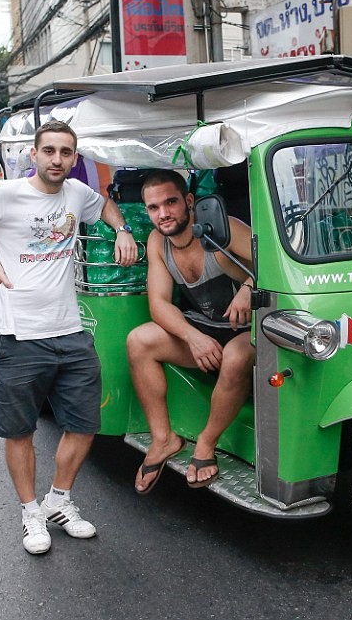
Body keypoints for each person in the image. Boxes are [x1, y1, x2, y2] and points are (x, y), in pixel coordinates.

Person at [0, 120, 138, 555]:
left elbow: (104, 205)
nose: (57, 160)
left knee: (84, 423)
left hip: (70, 331)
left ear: (74, 158)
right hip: (17, 333)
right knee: (20, 429)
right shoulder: (7, 194)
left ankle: (58, 502)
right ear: (34, 153)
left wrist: (122, 230)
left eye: (66, 152)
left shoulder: (77, 194)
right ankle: (31, 513)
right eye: (50, 151)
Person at [126, 170, 255, 493]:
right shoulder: (158, 241)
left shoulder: (224, 228)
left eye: (170, 202)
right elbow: (159, 304)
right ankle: (163, 439)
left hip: (251, 329)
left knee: (236, 356)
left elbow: (277, 266)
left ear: (188, 201)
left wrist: (249, 288)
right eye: (154, 208)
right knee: (139, 341)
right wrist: (192, 337)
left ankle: (206, 445)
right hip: (207, 329)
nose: (163, 213)